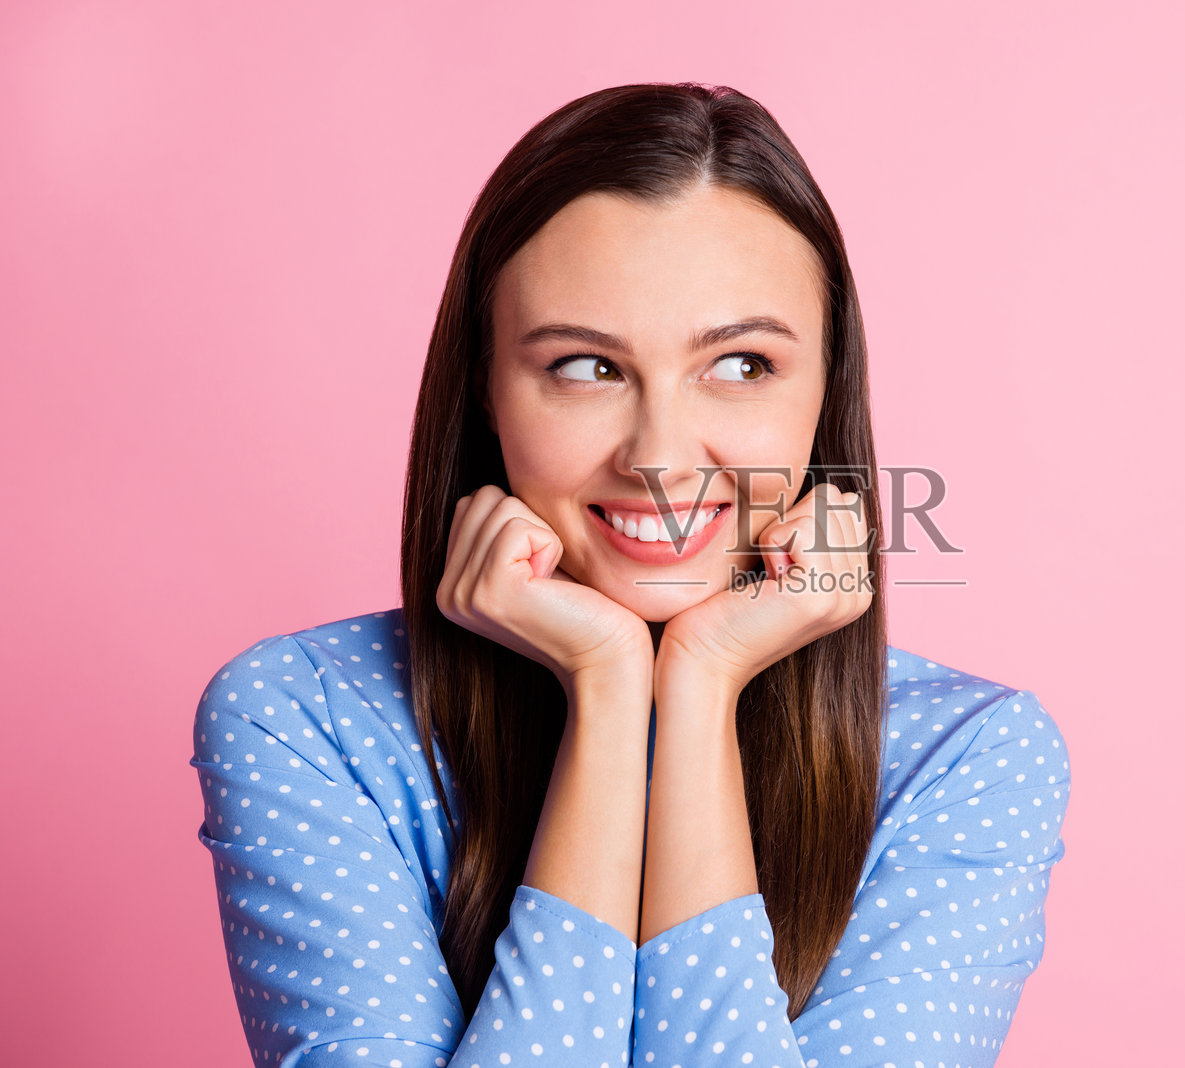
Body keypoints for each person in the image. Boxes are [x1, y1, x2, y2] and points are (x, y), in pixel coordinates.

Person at [191, 81, 1071, 1067]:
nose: (659, 454)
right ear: (485, 392)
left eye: (739, 366)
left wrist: (699, 686)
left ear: (827, 393)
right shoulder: (303, 719)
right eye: (585, 367)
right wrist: (607, 694)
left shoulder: (961, 760)